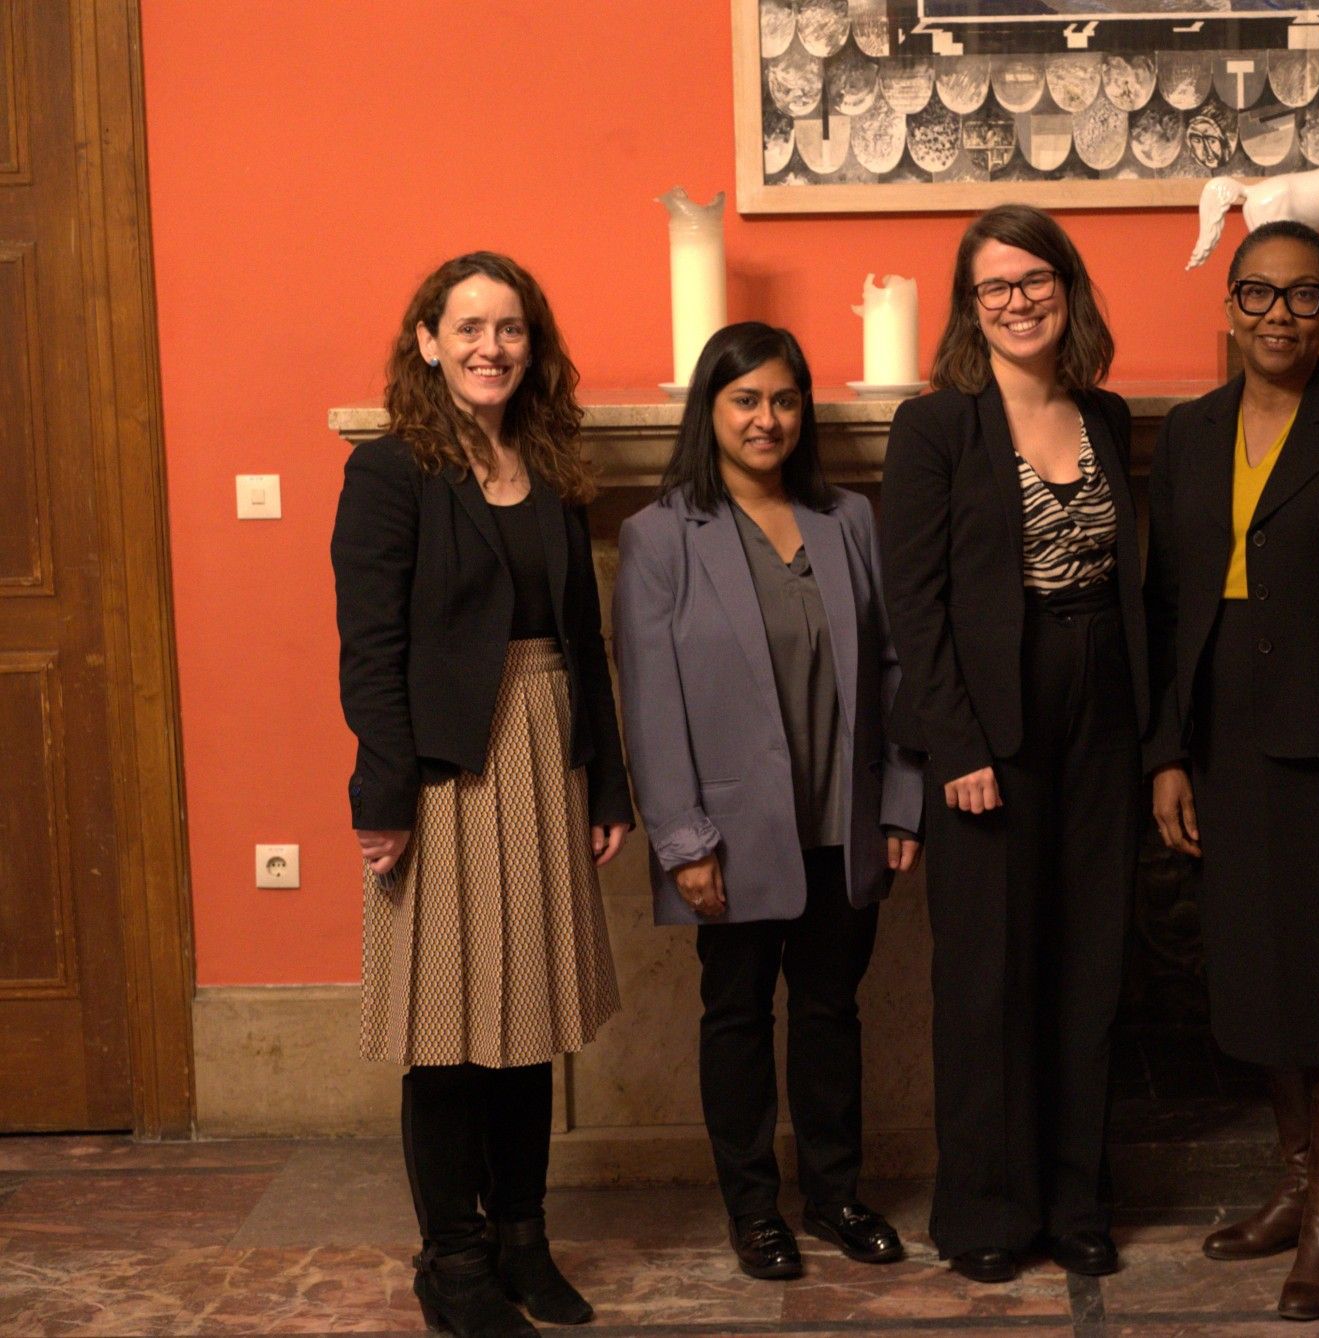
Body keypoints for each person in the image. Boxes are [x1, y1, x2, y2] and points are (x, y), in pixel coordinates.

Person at [332, 251, 631, 1338]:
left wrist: (607, 781)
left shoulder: (549, 461)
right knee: (451, 1031)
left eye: (508, 329)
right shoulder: (390, 471)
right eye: (467, 328)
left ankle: (522, 1242)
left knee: (529, 1018)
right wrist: (382, 795)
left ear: (530, 344)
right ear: (427, 340)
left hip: (547, 750)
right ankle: (451, 1262)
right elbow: (369, 648)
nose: (489, 348)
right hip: (445, 769)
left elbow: (582, 641)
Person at [1144, 221, 1319, 1320]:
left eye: (1302, 296)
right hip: (1222, 745)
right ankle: (1293, 1182)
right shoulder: (1188, 434)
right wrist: (1165, 751)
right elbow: (1165, 603)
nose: (1278, 315)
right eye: (1257, 294)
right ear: (1228, 307)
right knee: (1257, 978)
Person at [614, 322, 923, 1281]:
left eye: (785, 400)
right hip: (730, 835)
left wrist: (900, 802)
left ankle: (833, 1195)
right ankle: (753, 1210)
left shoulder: (850, 522)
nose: (767, 419)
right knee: (737, 1015)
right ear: (709, 410)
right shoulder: (660, 536)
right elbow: (650, 700)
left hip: (845, 819)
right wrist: (682, 841)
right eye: (745, 400)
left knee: (832, 1010)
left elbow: (895, 667)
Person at [879, 204, 1147, 1283]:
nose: (1019, 301)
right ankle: (987, 1212)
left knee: (1088, 968)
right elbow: (915, 602)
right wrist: (956, 747)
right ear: (969, 307)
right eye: (994, 287)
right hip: (991, 718)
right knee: (988, 975)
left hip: (1104, 714)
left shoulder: (1109, 415)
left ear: (1067, 288)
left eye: (1035, 280)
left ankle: (1077, 1202)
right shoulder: (936, 427)